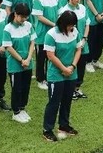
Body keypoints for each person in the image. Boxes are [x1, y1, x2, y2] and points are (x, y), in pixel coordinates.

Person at [42, 11, 82, 142]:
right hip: (56, 75)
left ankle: (64, 125)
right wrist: (63, 69)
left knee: (67, 100)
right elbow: (50, 55)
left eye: (73, 25)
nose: (72, 28)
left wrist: (72, 66)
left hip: (71, 73)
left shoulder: (74, 32)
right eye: (69, 25)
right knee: (54, 102)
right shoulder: (51, 35)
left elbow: (78, 49)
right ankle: (47, 130)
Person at [2, 3, 35, 124]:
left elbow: (32, 42)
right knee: (17, 88)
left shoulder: (28, 25)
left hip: (28, 62)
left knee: (26, 87)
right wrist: (21, 60)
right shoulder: (8, 28)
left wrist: (29, 58)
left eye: (26, 17)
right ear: (16, 14)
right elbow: (9, 47)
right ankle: (16, 111)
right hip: (15, 64)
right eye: (22, 17)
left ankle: (22, 108)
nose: (24, 20)